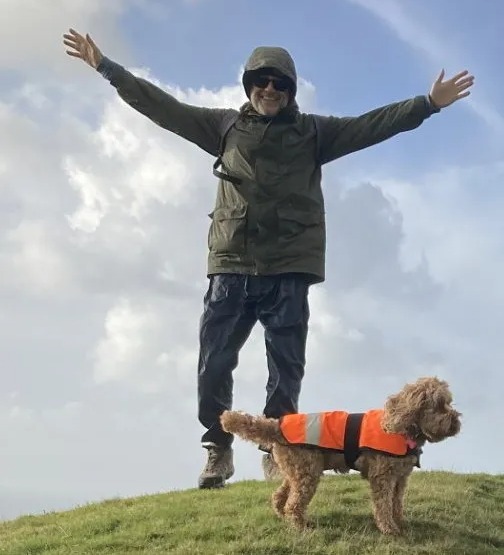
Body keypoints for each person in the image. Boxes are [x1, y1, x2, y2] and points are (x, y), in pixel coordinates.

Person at [63, 29, 474, 489]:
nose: (270, 90)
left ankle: (277, 448)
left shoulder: (316, 132)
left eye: (280, 83)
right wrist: (107, 67)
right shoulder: (222, 127)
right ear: (249, 85)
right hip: (231, 264)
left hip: (290, 268)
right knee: (214, 362)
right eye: (261, 81)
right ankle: (217, 448)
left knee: (286, 368)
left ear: (291, 89)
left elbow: (372, 125)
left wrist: (428, 103)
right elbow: (163, 108)